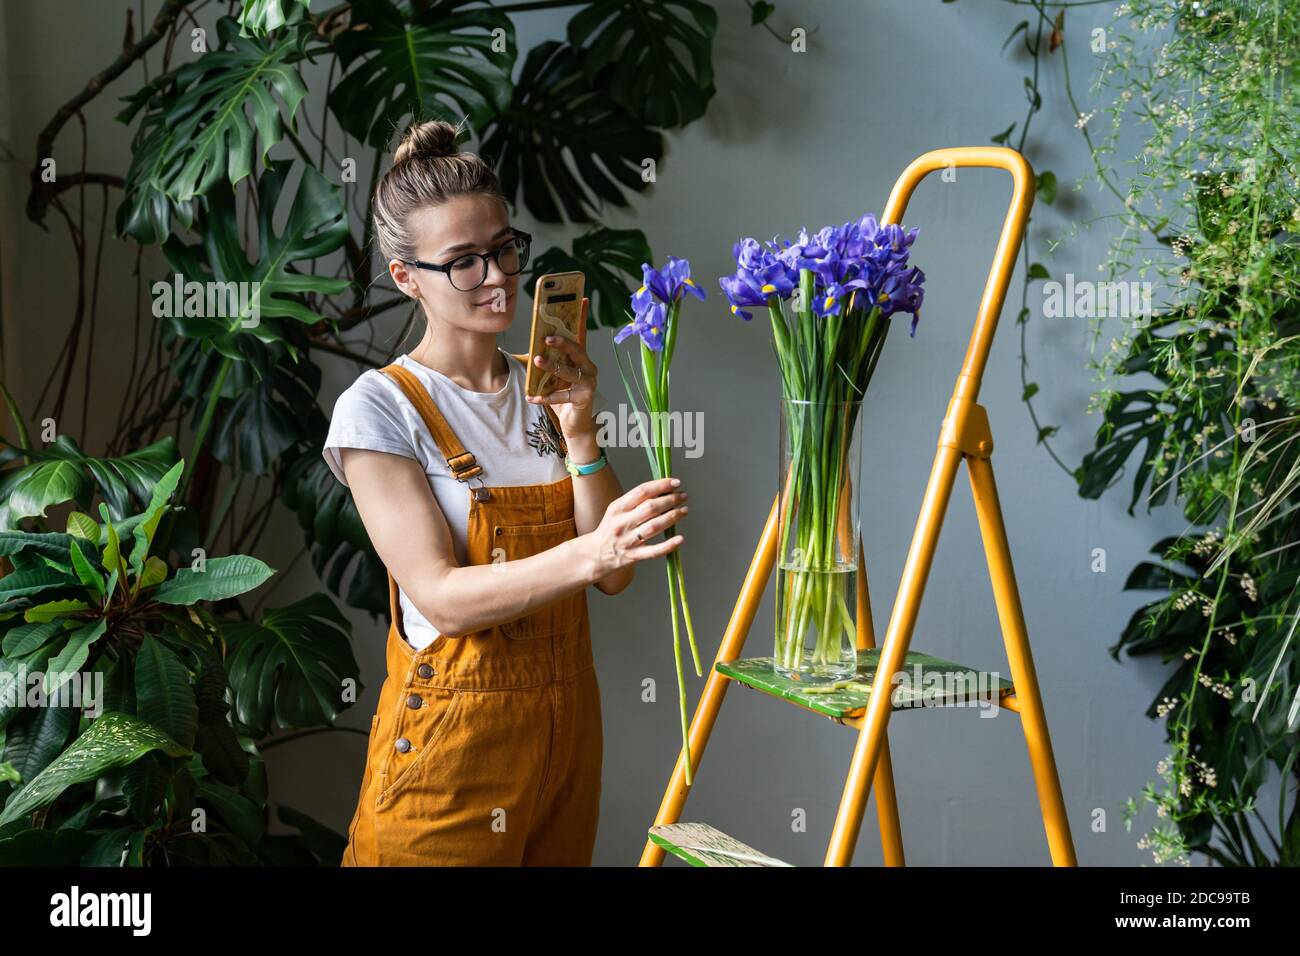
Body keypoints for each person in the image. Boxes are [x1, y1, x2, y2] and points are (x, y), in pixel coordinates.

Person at [323, 119, 689, 866]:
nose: (496, 278)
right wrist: (592, 550)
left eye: (503, 249)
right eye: (463, 262)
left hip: (565, 740)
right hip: (452, 754)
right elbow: (442, 597)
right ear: (406, 277)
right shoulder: (381, 408)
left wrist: (580, 431)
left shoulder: (543, 393)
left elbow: (613, 575)